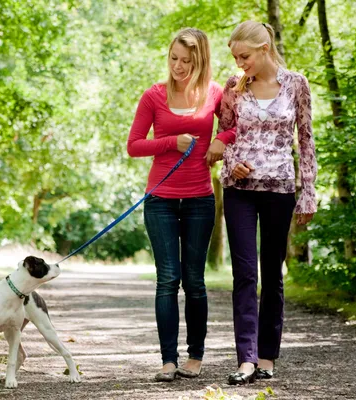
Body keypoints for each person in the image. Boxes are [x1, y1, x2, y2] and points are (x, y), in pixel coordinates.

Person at [211, 21, 317, 385]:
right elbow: (224, 133)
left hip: (280, 190)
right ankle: (246, 359)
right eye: (236, 57)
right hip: (239, 191)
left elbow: (305, 140)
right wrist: (230, 162)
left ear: (265, 48)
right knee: (245, 274)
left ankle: (268, 357)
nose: (240, 63)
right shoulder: (233, 86)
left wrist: (308, 192)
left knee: (272, 276)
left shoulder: (296, 84)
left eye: (245, 56)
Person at [127, 27, 234, 382]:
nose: (178, 66)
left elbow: (237, 127)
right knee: (167, 279)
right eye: (174, 58)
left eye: (186, 61)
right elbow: (134, 145)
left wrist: (219, 138)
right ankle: (167, 360)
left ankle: (195, 357)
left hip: (201, 200)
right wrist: (172, 141)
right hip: (160, 200)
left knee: (195, 280)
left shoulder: (215, 93)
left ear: (200, 61)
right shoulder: (153, 96)